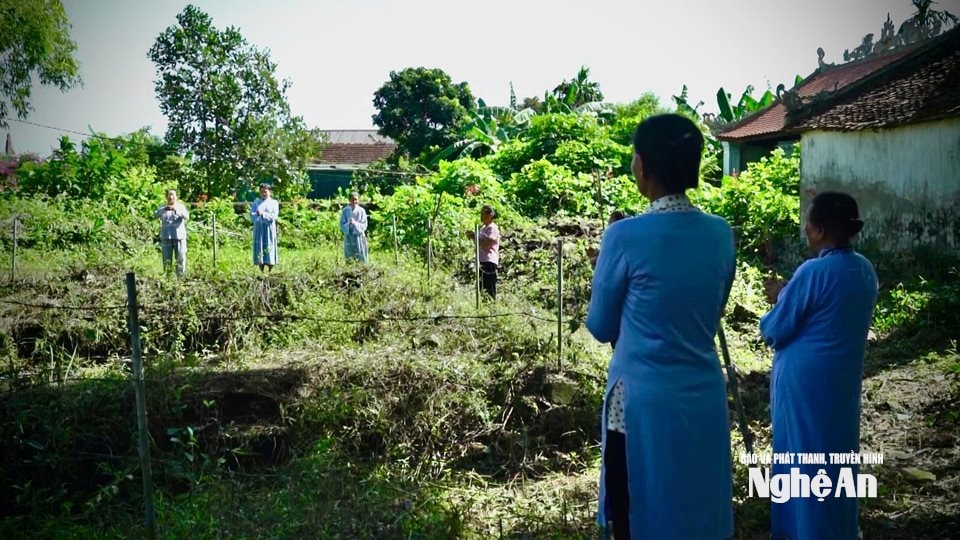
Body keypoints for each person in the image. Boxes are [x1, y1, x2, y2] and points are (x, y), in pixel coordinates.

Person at [586, 114, 736, 539]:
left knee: (639, 515)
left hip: (639, 408)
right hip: (703, 399)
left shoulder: (624, 236)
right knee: (696, 513)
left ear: (642, 166)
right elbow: (711, 311)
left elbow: (600, 325)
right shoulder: (720, 234)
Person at [761, 192, 878, 540]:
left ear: (822, 229)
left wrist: (778, 298)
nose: (806, 229)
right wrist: (788, 293)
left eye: (808, 223)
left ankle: (803, 532)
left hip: (804, 387)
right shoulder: (864, 270)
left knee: (801, 459)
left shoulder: (813, 271)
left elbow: (774, 329)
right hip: (840, 385)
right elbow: (828, 313)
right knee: (837, 459)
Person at [467, 205, 500, 299]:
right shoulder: (483, 229)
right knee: (482, 287)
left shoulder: (492, 228)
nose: (481, 216)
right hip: (481, 260)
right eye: (481, 214)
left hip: (489, 261)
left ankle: (491, 308)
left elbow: (486, 245)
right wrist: (474, 236)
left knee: (489, 288)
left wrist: (475, 237)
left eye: (483, 214)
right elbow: (480, 243)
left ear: (490, 215)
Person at [154, 189, 189, 277]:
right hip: (166, 238)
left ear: (176, 197)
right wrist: (163, 210)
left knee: (180, 259)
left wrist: (176, 210)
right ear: (166, 197)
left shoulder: (181, 207)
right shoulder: (162, 208)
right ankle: (167, 279)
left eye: (173, 195)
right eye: (169, 195)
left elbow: (186, 216)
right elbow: (155, 215)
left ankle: (181, 279)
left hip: (179, 237)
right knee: (166, 260)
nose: (171, 197)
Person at [251, 183, 279, 272]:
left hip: (269, 229)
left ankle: (270, 268)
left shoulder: (274, 203)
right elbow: (252, 215)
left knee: (269, 246)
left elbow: (274, 216)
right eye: (261, 192)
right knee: (260, 246)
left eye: (265, 192)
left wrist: (263, 214)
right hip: (259, 229)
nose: (263, 193)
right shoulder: (256, 202)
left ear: (270, 192)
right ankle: (261, 268)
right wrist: (257, 216)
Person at [339, 192, 369, 263]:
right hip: (349, 235)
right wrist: (348, 224)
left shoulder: (361, 211)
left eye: (356, 199)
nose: (354, 201)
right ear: (349, 200)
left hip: (359, 236)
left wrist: (355, 223)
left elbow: (364, 225)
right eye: (352, 200)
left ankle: (362, 267)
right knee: (349, 253)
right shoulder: (345, 211)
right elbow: (342, 224)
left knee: (360, 252)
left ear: (358, 200)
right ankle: (350, 268)